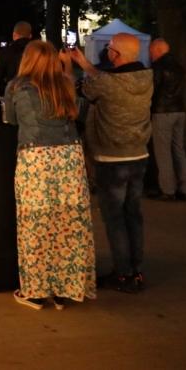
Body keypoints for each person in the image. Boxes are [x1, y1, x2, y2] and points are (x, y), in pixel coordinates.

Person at [5, 41, 95, 310]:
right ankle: (65, 287)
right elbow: (78, 112)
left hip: (36, 158)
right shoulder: (65, 84)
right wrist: (69, 67)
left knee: (36, 222)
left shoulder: (17, 86)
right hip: (69, 156)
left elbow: (11, 119)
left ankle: (36, 289)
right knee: (68, 221)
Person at [70, 33, 153, 294]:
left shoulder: (106, 83)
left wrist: (78, 67)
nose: (107, 51)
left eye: (109, 48)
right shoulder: (146, 77)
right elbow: (108, 79)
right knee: (133, 215)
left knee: (114, 218)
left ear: (115, 54)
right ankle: (136, 270)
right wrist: (85, 63)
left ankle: (122, 274)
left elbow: (87, 89)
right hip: (138, 155)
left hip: (111, 157)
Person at [148, 38, 186, 201]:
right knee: (179, 149)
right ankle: (184, 188)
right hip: (180, 110)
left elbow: (152, 89)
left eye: (151, 50)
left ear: (158, 50)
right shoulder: (179, 67)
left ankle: (167, 190)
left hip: (162, 111)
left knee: (162, 152)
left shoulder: (158, 67)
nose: (150, 54)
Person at [0, 21, 33, 95]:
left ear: (14, 35)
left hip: (14, 94)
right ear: (30, 36)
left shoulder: (6, 52)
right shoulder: (39, 52)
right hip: (37, 94)